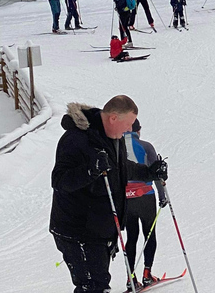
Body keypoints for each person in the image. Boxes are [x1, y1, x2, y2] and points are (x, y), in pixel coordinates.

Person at [50, 96, 168, 293]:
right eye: (128, 123)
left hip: (100, 228)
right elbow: (60, 180)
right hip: (77, 229)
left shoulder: (114, 139)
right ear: (113, 118)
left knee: (98, 284)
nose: (129, 130)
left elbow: (122, 169)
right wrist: (91, 170)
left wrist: (149, 171)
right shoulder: (75, 139)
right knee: (93, 287)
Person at [124, 119, 166, 289]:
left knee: (131, 237)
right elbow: (156, 173)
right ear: (138, 130)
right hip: (145, 196)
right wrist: (162, 196)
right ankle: (147, 273)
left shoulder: (117, 147)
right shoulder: (146, 146)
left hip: (127, 198)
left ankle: (130, 278)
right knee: (149, 234)